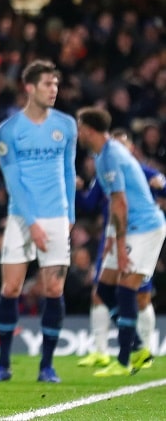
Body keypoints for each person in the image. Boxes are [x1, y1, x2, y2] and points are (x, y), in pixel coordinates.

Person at [0, 60, 77, 384]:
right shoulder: (9, 130)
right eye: (48, 84)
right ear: (30, 88)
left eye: (56, 84)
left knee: (53, 287)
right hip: (22, 217)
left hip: (56, 215)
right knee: (11, 287)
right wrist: (33, 223)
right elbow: (13, 181)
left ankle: (47, 366)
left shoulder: (66, 125)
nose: (54, 90)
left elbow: (68, 171)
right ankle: (3, 363)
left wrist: (71, 216)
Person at [76, 108, 166, 377]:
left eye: (80, 128)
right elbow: (113, 204)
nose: (78, 133)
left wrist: (120, 243)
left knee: (128, 289)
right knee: (104, 290)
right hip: (129, 229)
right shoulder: (103, 154)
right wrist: (111, 241)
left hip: (145, 228)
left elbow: (120, 202)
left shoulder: (112, 155)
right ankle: (138, 348)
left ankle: (125, 359)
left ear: (90, 130)